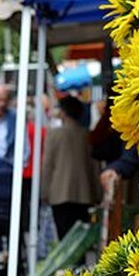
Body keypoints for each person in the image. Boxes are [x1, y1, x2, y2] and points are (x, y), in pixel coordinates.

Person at [41, 95, 102, 241]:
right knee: (79, 241)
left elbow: (48, 165)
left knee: (65, 240)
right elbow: (94, 166)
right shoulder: (87, 135)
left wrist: (44, 191)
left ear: (63, 112)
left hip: (59, 193)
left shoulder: (54, 135)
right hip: (84, 192)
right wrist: (98, 193)